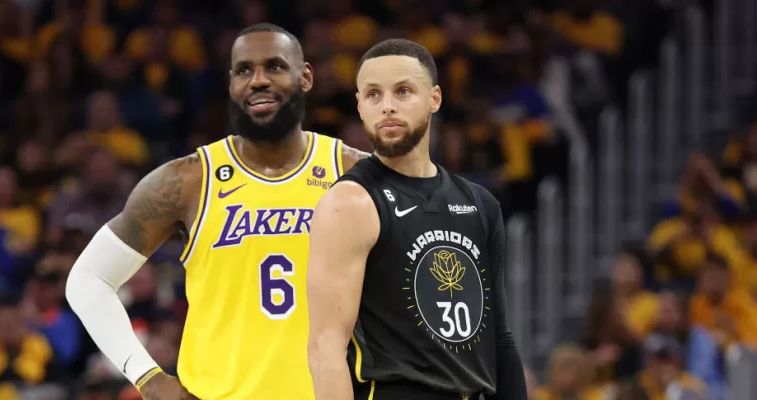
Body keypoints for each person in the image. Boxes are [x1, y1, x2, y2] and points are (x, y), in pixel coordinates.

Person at [65, 23, 368, 400]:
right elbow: (88, 279)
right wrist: (150, 380)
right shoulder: (186, 181)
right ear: (230, 84)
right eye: (244, 70)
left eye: (274, 66)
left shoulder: (358, 175)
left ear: (305, 76)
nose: (258, 80)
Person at [306, 39, 527, 400]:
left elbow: (499, 338)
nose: (387, 106)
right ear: (360, 106)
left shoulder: (480, 204)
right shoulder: (349, 202)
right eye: (373, 95)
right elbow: (325, 347)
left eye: (403, 91)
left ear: (434, 98)